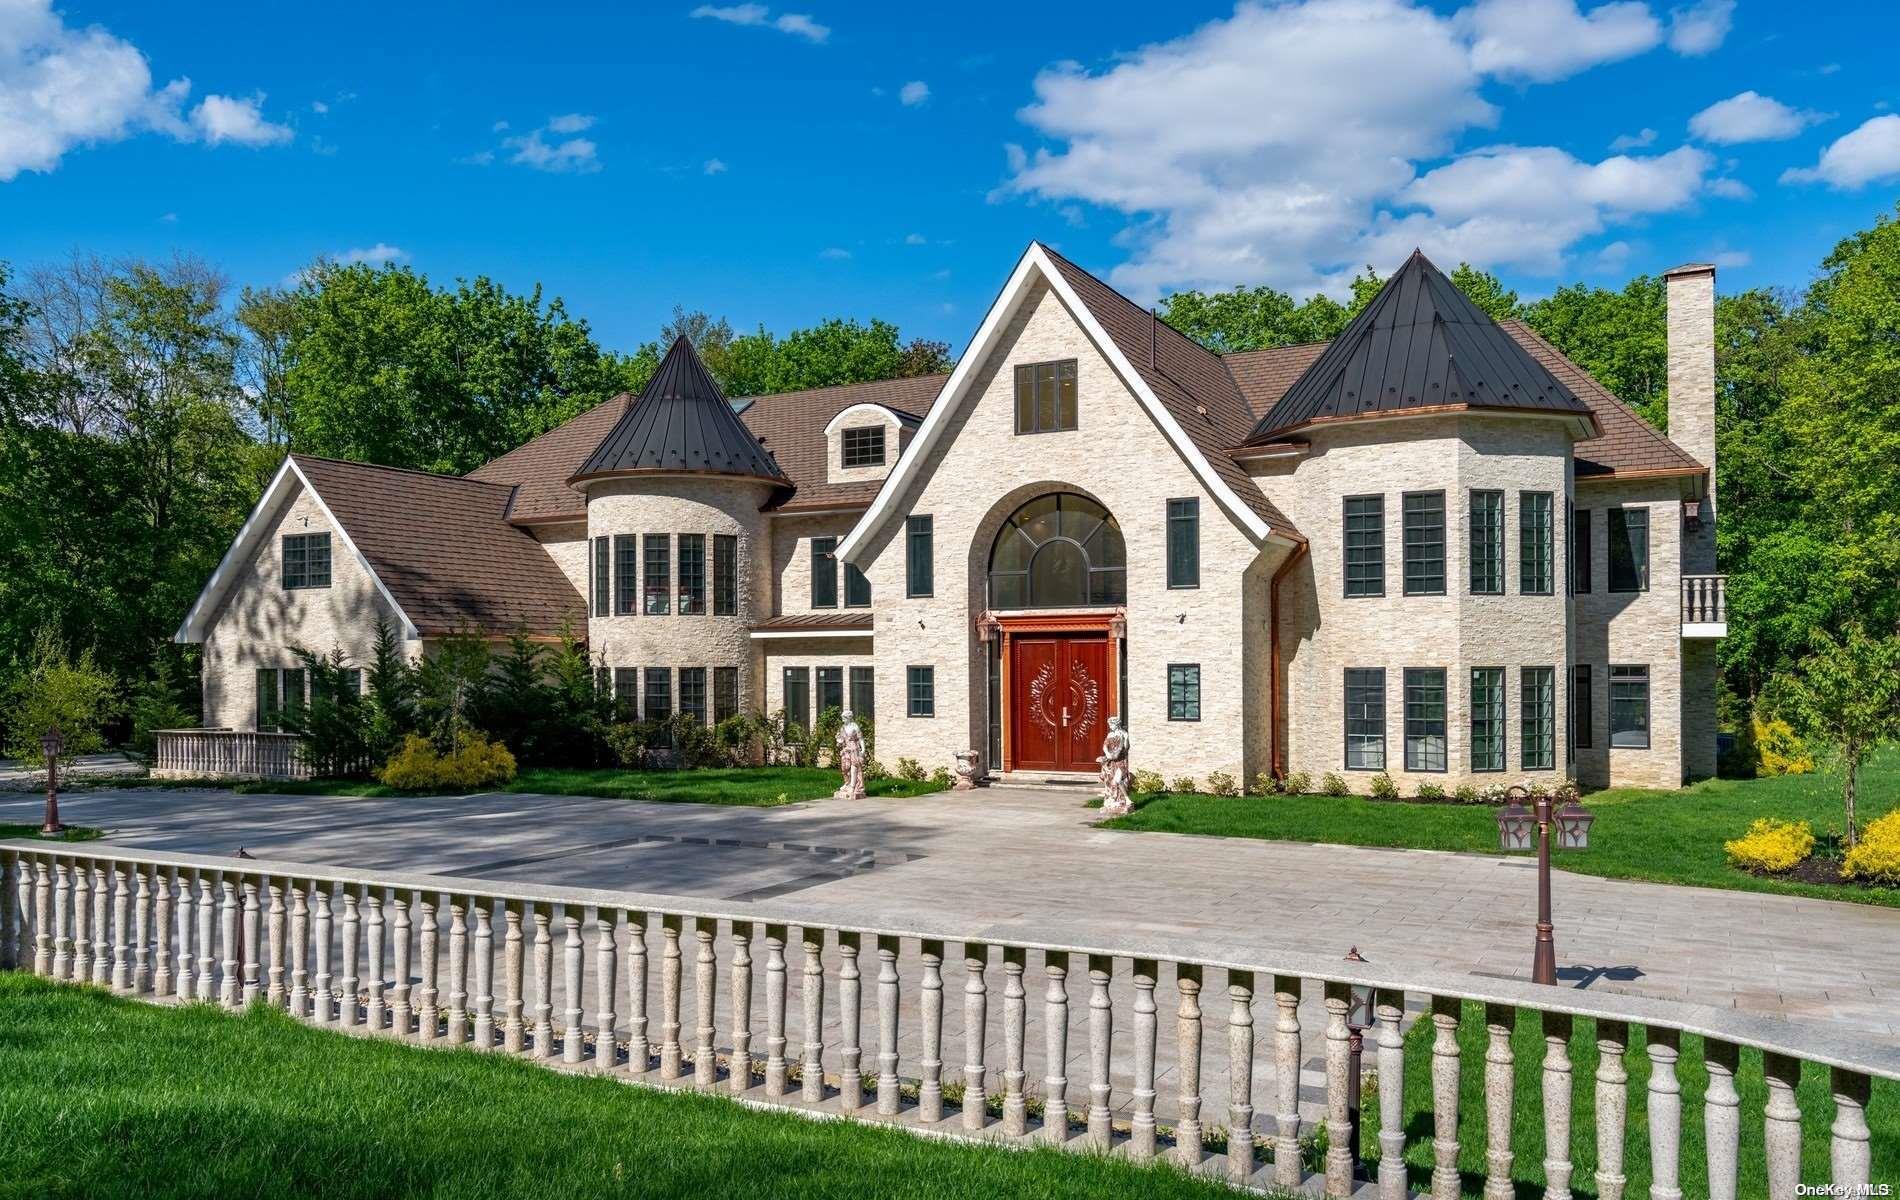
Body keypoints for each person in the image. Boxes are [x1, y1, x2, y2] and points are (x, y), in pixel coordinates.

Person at [1097, 715, 1132, 817]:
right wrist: (1107, 753)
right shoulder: (1110, 735)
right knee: (1111, 780)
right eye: (1109, 725)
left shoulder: (1124, 734)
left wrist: (1125, 740)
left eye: (1111, 724)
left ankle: (1127, 799)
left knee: (1117, 780)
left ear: (1116, 724)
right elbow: (1105, 746)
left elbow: (1125, 748)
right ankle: (1114, 799)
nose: (1110, 726)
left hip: (1121, 761)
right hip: (1112, 761)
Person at [834, 707, 866, 800]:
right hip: (846, 749)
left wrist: (863, 749)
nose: (842, 720)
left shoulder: (855, 726)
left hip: (854, 748)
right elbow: (841, 739)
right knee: (844, 768)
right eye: (842, 718)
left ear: (849, 718)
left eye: (844, 718)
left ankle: (852, 786)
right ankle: (847, 783)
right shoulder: (842, 728)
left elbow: (861, 739)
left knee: (854, 766)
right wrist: (838, 741)